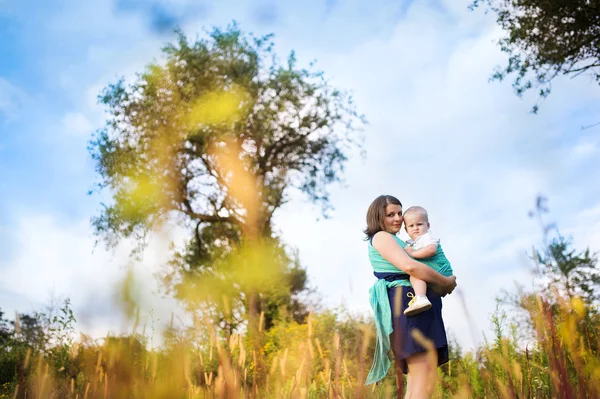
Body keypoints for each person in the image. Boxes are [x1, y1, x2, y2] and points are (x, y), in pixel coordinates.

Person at [364, 195, 457, 399]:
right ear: (378, 216)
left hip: (413, 303)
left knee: (419, 379)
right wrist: (445, 281)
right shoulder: (382, 236)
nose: (398, 218)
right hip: (409, 304)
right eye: (391, 214)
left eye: (399, 213)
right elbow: (410, 267)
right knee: (423, 376)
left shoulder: (400, 240)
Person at [402, 206, 454, 317]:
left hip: (440, 267)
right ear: (406, 229)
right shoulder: (413, 242)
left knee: (415, 274)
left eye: (419, 224)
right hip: (436, 270)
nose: (415, 228)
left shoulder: (427, 237)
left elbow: (431, 250)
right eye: (411, 226)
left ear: (428, 225)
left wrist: (412, 253)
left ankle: (421, 298)